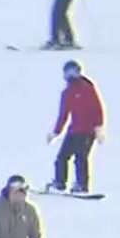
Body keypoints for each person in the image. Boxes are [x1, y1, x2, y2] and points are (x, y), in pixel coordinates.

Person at [46, 60, 104, 194]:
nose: (71, 75)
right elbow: (64, 114)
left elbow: (97, 109)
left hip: (88, 131)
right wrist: (56, 132)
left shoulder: (88, 88)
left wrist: (98, 127)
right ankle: (60, 183)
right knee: (62, 157)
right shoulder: (67, 92)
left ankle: (82, 185)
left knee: (81, 158)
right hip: (74, 131)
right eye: (69, 72)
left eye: (74, 72)